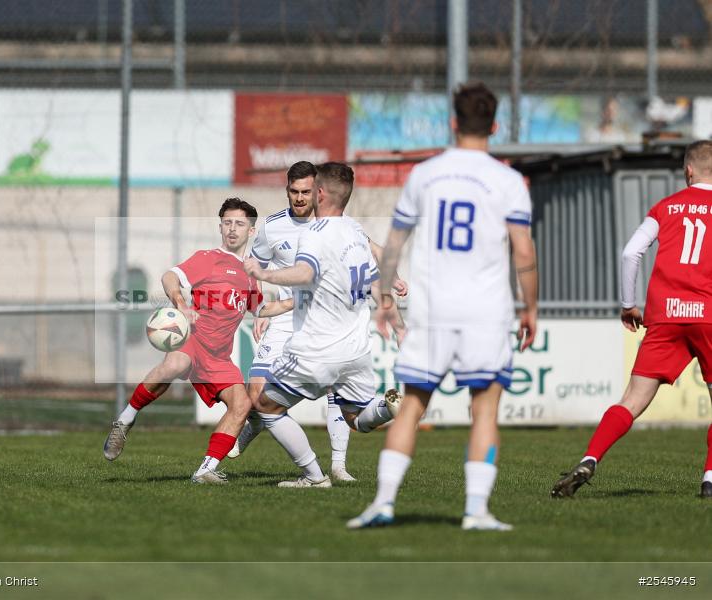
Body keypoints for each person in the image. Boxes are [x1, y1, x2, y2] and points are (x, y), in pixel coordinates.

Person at [347, 82, 538, 530]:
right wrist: (531, 306)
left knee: (412, 405)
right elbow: (523, 251)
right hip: (486, 313)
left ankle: (383, 503)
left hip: (433, 310)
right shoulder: (508, 180)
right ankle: (475, 510)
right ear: (493, 125)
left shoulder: (426, 174)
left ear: (453, 123)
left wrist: (387, 297)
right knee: (485, 410)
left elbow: (395, 240)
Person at [552, 139, 712, 501]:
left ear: (688, 170)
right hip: (708, 315)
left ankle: (590, 458)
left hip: (667, 315)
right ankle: (709, 479)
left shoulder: (665, 208)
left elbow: (631, 252)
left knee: (632, 400)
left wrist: (629, 303)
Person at [103, 198, 292, 484]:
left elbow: (261, 308)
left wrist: (297, 302)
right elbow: (170, 277)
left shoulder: (252, 276)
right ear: (220, 227)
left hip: (218, 357)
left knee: (241, 404)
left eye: (239, 224)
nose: (232, 229)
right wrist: (180, 301)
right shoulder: (208, 258)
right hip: (193, 340)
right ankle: (125, 419)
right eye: (227, 223)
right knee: (174, 364)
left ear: (251, 231)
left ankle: (205, 470)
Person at [242, 162, 405, 488]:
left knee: (266, 406)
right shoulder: (354, 232)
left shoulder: (317, 233)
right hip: (356, 349)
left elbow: (304, 274)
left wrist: (264, 274)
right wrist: (401, 327)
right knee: (356, 419)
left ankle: (314, 477)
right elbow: (376, 283)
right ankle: (389, 409)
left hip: (318, 347)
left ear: (320, 193)